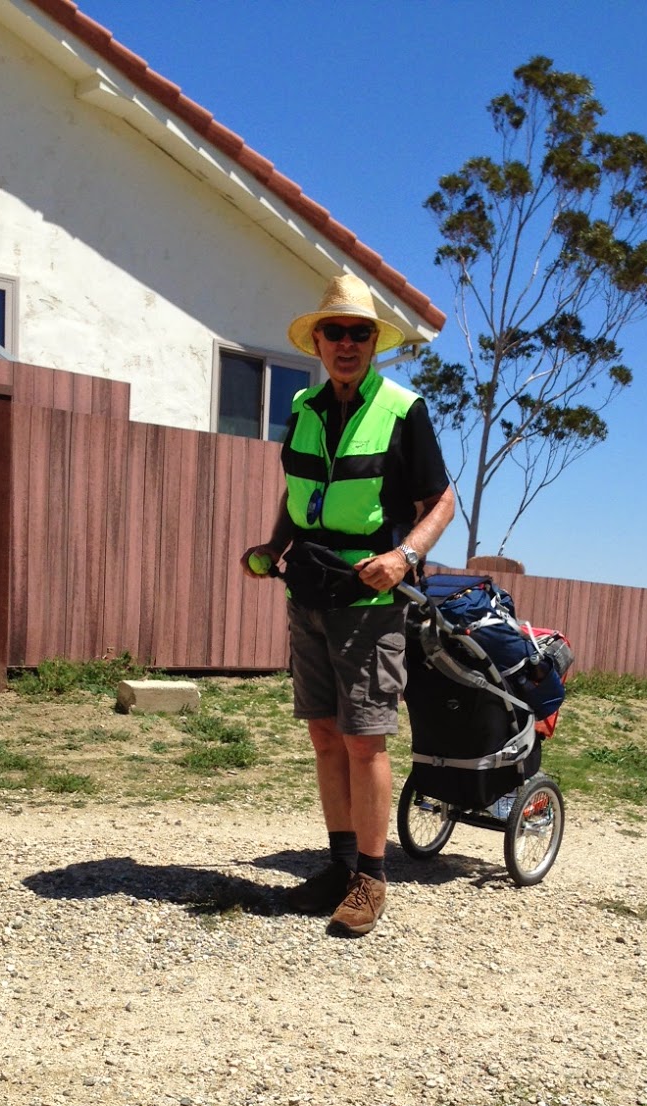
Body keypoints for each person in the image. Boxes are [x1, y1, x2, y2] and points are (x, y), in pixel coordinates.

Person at [241, 273, 455, 936]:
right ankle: (338, 868)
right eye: (334, 331)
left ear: (373, 343)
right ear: (318, 340)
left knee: (364, 739)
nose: (346, 343)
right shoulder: (304, 408)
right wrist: (273, 546)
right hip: (308, 590)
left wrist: (404, 557)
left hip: (369, 597)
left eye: (359, 333)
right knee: (325, 735)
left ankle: (371, 878)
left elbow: (442, 502)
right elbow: (297, 492)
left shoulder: (402, 409)